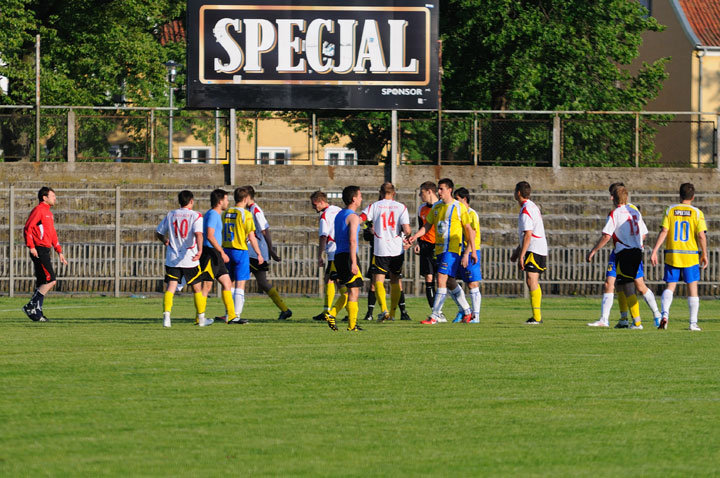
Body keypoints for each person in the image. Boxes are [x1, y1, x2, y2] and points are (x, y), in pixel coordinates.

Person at [586, 185, 660, 330]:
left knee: (630, 285)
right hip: (631, 251)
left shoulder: (616, 213)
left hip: (625, 252)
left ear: (614, 197)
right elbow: (643, 233)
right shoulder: (634, 211)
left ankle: (640, 321)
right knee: (617, 284)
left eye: (611, 195)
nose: (610, 197)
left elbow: (607, 235)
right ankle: (621, 319)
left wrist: (593, 250)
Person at [406, 178, 476, 325]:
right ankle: (468, 311)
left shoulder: (459, 207)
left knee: (441, 278)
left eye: (441, 189)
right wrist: (415, 237)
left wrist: (471, 252)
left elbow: (469, 230)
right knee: (450, 282)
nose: (439, 192)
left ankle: (435, 315)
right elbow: (427, 226)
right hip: (439, 249)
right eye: (438, 189)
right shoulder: (437, 207)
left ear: (449, 190)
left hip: (452, 250)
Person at [650, 183, 708, 331]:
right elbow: (701, 235)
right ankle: (693, 323)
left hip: (673, 254)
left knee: (670, 286)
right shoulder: (697, 213)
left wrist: (654, 250)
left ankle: (665, 315)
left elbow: (664, 231)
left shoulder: (670, 210)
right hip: (690, 255)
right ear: (693, 196)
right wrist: (705, 254)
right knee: (692, 288)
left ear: (679, 195)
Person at [360, 182, 412, 322]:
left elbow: (362, 218)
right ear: (393, 193)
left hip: (381, 248)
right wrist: (408, 236)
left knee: (378, 281)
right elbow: (407, 230)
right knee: (395, 280)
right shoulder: (401, 207)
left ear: (380, 192)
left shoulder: (374, 206)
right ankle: (393, 314)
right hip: (397, 249)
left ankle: (384, 310)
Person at [155, 190, 208, 327]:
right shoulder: (196, 215)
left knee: (171, 287)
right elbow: (198, 235)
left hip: (172, 257)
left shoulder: (171, 214)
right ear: (191, 201)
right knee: (197, 288)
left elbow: (159, 232)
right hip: (190, 258)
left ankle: (167, 317)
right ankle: (201, 318)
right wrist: (200, 250)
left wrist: (165, 240)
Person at [22, 186, 68, 322]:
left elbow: (52, 233)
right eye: (52, 196)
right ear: (45, 197)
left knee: (42, 281)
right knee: (51, 280)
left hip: (45, 250)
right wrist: (31, 246)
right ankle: (31, 305)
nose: (55, 198)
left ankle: (37, 313)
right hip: (38, 249)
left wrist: (59, 251)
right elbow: (28, 228)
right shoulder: (39, 210)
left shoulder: (49, 213)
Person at [245, 186, 292, 320]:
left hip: (254, 252)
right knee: (262, 283)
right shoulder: (250, 210)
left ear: (248, 197)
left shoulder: (256, 210)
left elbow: (265, 230)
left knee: (235, 280)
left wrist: (270, 249)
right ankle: (285, 309)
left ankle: (231, 314)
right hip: (254, 251)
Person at [222, 187, 264, 324]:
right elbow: (252, 237)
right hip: (240, 250)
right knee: (240, 284)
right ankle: (236, 315)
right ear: (246, 199)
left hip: (227, 250)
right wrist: (259, 253)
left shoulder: (226, 212)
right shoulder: (246, 214)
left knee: (230, 283)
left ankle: (229, 313)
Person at [326, 185, 364, 331]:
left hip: (338, 255)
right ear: (354, 199)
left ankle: (332, 314)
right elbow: (352, 240)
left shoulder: (339, 215)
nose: (361, 199)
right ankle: (351, 325)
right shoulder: (352, 217)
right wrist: (354, 262)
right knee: (354, 291)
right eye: (360, 196)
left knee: (351, 291)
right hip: (349, 256)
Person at [510, 181, 547, 325]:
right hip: (537, 247)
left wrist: (521, 255)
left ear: (518, 192)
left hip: (534, 248)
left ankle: (537, 317)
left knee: (532, 280)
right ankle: (536, 316)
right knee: (531, 280)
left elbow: (528, 234)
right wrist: (517, 251)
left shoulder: (526, 209)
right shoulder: (531, 206)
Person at [198, 189, 237, 324]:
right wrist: (221, 251)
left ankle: (232, 316)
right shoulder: (213, 214)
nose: (228, 202)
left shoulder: (214, 214)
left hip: (216, 253)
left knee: (227, 283)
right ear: (220, 201)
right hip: (211, 253)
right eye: (226, 199)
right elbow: (209, 235)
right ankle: (200, 318)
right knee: (206, 286)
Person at [310, 190, 345, 321]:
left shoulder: (325, 216)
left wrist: (320, 255)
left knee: (337, 282)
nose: (313, 207)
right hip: (343, 249)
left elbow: (323, 236)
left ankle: (333, 311)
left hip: (333, 251)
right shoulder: (339, 210)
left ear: (321, 202)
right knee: (330, 279)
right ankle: (327, 310)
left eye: (314, 204)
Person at [453, 187, 482, 323]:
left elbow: (473, 234)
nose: (456, 202)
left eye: (457, 199)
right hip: (459, 250)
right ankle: (464, 310)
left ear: (464, 199)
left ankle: (475, 316)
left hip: (470, 251)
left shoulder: (471, 213)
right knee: (448, 280)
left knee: (472, 283)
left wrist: (467, 253)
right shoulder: (459, 213)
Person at [415, 181, 440, 312]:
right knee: (428, 277)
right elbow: (421, 227)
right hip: (426, 245)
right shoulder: (422, 209)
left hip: (440, 245)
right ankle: (435, 311)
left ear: (429, 191)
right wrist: (418, 243)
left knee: (443, 279)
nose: (420, 195)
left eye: (422, 192)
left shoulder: (440, 206)